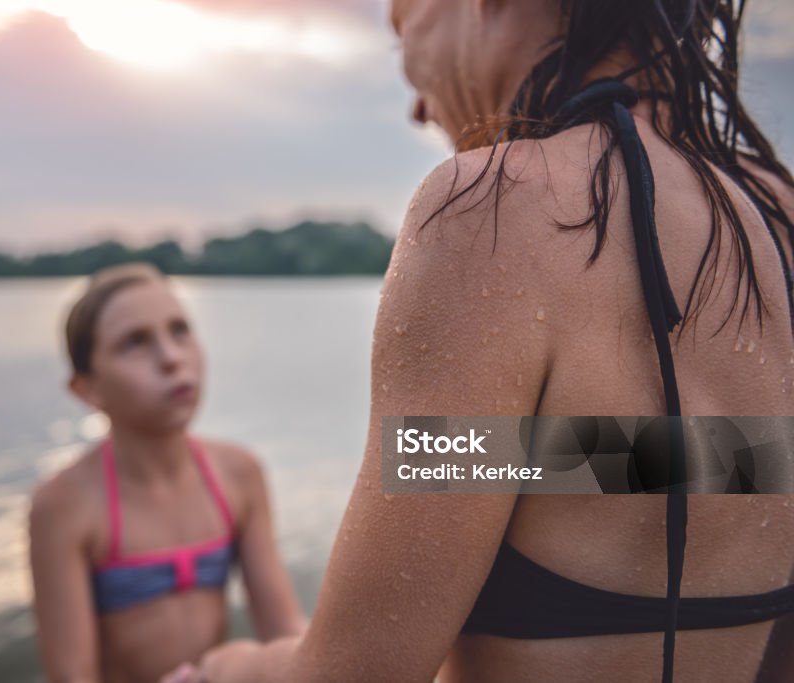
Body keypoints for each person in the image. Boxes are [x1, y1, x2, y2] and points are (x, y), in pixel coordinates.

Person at [162, 0, 794, 681]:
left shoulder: (496, 208)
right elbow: (700, 469)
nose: (418, 113)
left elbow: (355, 674)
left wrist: (231, 666)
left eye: (402, 25)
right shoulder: (779, 217)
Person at [27, 263, 305, 683]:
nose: (172, 358)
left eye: (180, 331)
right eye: (135, 342)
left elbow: (282, 628)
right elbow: (71, 677)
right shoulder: (63, 505)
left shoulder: (239, 474)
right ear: (88, 389)